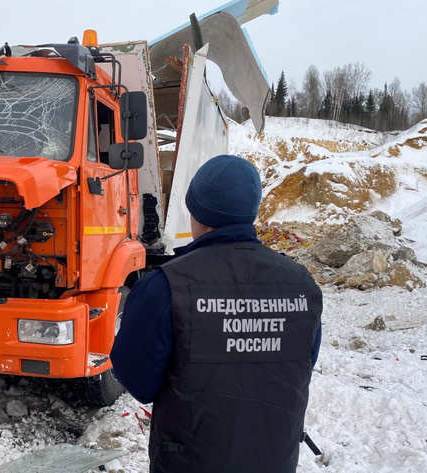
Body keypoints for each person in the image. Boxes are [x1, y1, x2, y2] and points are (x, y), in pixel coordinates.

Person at [111, 154, 322, 473]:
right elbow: (300, 363)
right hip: (274, 460)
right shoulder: (302, 285)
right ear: (250, 212)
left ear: (195, 210)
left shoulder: (165, 287)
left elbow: (137, 381)